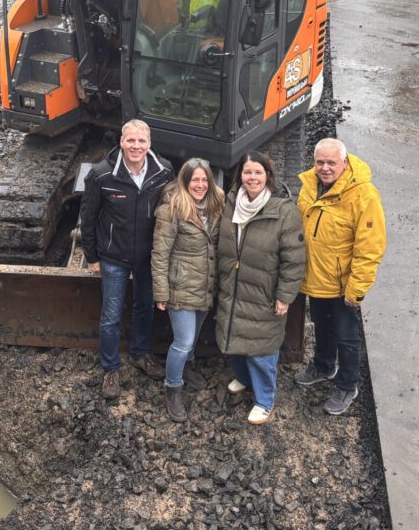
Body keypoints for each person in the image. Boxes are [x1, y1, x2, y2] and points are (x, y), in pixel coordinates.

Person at [80, 119, 174, 400]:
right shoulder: (102, 175)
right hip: (114, 257)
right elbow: (89, 216)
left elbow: (172, 211)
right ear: (121, 142)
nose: (136, 146)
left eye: (141, 141)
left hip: (148, 256)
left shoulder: (164, 171)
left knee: (145, 307)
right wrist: (92, 255)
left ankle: (140, 354)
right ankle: (110, 368)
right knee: (110, 315)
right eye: (130, 141)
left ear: (149, 144)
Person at [294, 138, 386, 416]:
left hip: (342, 282)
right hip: (315, 276)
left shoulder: (364, 195)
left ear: (344, 163)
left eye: (331, 162)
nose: (324, 168)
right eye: (320, 162)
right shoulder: (310, 184)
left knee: (347, 337)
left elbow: (370, 246)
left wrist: (356, 289)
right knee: (321, 325)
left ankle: (347, 385)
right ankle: (323, 366)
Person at [215, 151, 305, 425]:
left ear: (268, 176)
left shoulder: (284, 210)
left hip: (263, 291)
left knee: (262, 350)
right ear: (239, 175)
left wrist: (285, 296)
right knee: (236, 338)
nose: (252, 177)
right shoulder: (231, 203)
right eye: (247, 172)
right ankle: (242, 379)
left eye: (257, 172)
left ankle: (265, 401)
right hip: (234, 286)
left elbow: (294, 257)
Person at [151, 158, 225, 422]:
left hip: (205, 286)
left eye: (205, 180)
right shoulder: (172, 209)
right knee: (182, 342)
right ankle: (173, 387)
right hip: (181, 287)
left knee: (192, 339)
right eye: (195, 180)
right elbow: (160, 254)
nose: (200, 185)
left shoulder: (217, 205)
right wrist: (161, 292)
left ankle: (188, 367)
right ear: (185, 181)